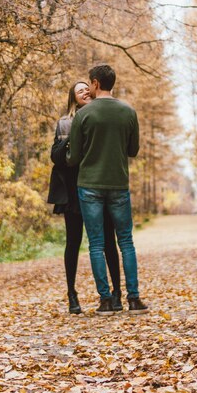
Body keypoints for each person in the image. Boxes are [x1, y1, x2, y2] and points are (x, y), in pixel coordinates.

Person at [67, 64, 148, 316]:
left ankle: (106, 301)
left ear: (95, 83)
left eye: (90, 85)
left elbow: (73, 158)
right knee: (126, 241)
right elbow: (133, 151)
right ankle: (133, 299)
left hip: (89, 185)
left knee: (96, 244)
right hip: (118, 184)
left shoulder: (83, 115)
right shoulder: (128, 112)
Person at [47, 81, 121, 314]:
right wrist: (72, 136)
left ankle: (116, 293)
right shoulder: (65, 123)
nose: (85, 92)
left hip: (99, 187)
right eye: (80, 91)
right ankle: (72, 294)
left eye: (87, 89)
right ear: (73, 98)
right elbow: (56, 157)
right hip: (73, 191)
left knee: (108, 240)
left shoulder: (99, 118)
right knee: (73, 242)